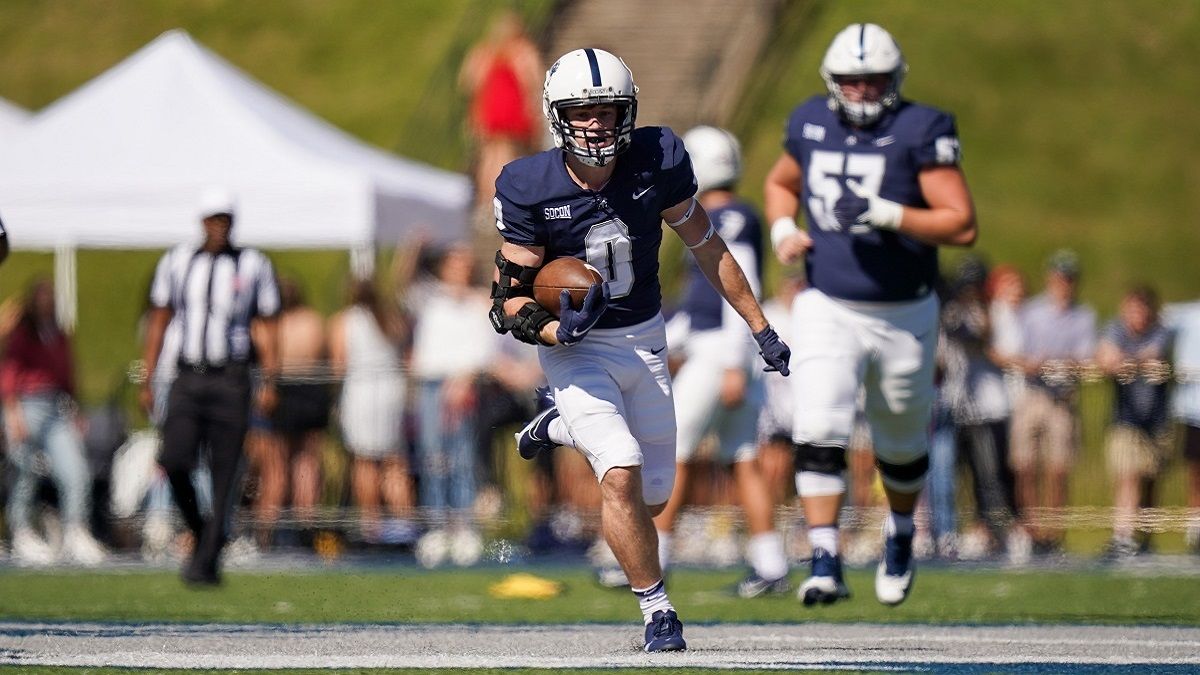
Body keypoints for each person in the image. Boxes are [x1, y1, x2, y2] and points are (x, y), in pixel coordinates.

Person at [490, 48, 790, 652]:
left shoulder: (657, 160)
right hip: (576, 350)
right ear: (557, 115)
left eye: (607, 110)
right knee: (620, 471)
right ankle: (658, 610)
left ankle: (560, 426)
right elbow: (508, 303)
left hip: (645, 339)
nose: (596, 123)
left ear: (627, 112)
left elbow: (709, 248)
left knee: (654, 493)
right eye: (583, 111)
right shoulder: (529, 185)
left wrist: (760, 327)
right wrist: (557, 332)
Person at [765, 23, 977, 607]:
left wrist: (889, 212)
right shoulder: (810, 119)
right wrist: (784, 228)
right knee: (819, 421)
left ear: (894, 80)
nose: (859, 91)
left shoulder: (919, 127)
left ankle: (901, 532)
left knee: (901, 441)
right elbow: (782, 180)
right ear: (832, 83)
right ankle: (825, 557)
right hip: (828, 301)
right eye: (849, 81)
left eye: (871, 81)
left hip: (904, 310)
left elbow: (961, 222)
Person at [649, 125, 790, 598]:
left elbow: (739, 281)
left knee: (675, 450)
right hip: (733, 351)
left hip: (723, 354)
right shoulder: (731, 213)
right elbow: (698, 308)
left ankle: (653, 558)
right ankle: (770, 564)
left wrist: (732, 359)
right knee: (742, 458)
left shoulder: (727, 217)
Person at [139, 187, 281, 586]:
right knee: (174, 459)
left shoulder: (253, 264)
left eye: (226, 220)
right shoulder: (178, 261)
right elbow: (160, 318)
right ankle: (204, 533)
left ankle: (205, 560)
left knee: (225, 471)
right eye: (213, 219)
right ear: (202, 222)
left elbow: (267, 326)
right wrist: (148, 376)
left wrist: (269, 379)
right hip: (187, 374)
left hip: (231, 376)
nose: (220, 227)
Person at [1, 278, 108, 566]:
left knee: (75, 469)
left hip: (56, 405)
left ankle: (76, 529)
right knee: (25, 469)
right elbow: (10, 371)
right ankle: (21, 530)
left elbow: (67, 373)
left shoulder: (58, 334)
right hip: (26, 404)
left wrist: (76, 409)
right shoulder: (23, 334)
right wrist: (12, 413)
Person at [1009, 249, 1095, 554]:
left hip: (1062, 397)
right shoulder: (1031, 312)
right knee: (1025, 466)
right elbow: (1014, 353)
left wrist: (1065, 364)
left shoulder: (1083, 316)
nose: (1063, 283)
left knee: (1058, 468)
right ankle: (1032, 530)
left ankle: (1054, 533)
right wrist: (1031, 363)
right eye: (1059, 277)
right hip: (1033, 394)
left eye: (1069, 278)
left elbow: (1086, 359)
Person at [328, 277, 413, 547]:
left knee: (364, 461)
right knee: (393, 461)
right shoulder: (390, 319)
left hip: (361, 391)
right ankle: (404, 523)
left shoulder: (345, 320)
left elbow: (338, 364)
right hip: (390, 390)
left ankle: (371, 525)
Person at [249, 277, 328, 548]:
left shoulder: (266, 326)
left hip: (282, 393)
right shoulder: (313, 322)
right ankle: (305, 529)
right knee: (306, 464)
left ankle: (265, 535)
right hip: (310, 392)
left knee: (276, 470)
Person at [1096, 285, 1173, 560]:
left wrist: (1129, 361)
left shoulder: (1161, 332)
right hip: (1125, 418)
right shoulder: (1114, 330)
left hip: (1156, 419)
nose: (1137, 315)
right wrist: (1125, 362)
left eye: (1142, 309)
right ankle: (1123, 536)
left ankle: (1146, 538)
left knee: (1151, 480)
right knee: (1127, 477)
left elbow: (1154, 357)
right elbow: (1107, 360)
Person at [459, 11, 542, 214]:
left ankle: (487, 201)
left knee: (488, 157)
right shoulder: (523, 51)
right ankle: (505, 198)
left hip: (487, 110)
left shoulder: (483, 52)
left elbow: (466, 83)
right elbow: (534, 81)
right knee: (509, 154)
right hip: (511, 110)